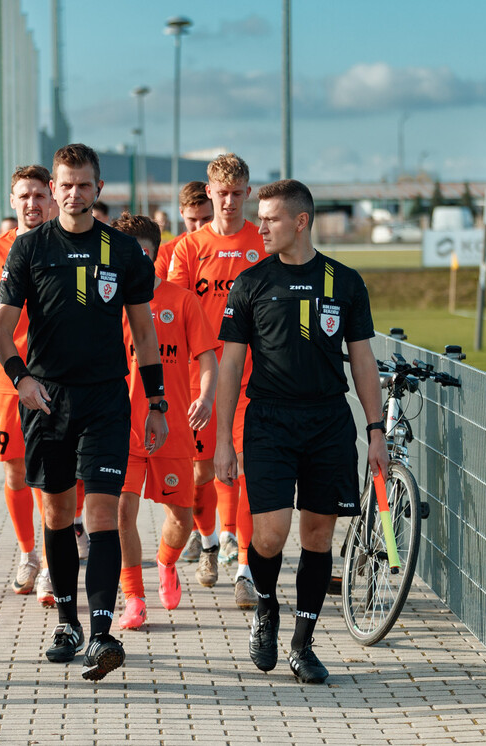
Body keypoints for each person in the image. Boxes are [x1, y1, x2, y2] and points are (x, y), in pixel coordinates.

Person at [0, 143, 167, 681]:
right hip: (46, 400)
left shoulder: (123, 253)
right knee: (57, 515)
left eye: (82, 184)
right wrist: (20, 380)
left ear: (99, 189)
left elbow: (143, 332)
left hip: (106, 399)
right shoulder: (28, 249)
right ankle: (65, 622)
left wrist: (156, 402)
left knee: (104, 513)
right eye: (63, 185)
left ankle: (101, 633)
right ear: (54, 188)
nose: (72, 193)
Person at [214, 178, 389, 684]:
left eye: (270, 218)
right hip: (268, 421)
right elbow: (230, 366)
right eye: (260, 217)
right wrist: (224, 439)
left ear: (301, 222)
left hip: (329, 423)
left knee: (318, 536)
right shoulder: (251, 283)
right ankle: (266, 607)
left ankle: (303, 643)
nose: (261, 225)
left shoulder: (345, 282)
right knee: (270, 534)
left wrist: (374, 429)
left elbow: (362, 360)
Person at [110, 212, 218, 630]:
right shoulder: (110, 303)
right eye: (128, 253)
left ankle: (166, 562)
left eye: (144, 253)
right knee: (122, 513)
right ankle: (133, 597)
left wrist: (205, 396)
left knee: (182, 515)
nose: (136, 261)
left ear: (157, 253)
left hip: (171, 426)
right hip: (122, 426)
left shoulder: (181, 300)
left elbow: (206, 357)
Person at [167, 153, 263, 605]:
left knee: (243, 471)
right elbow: (175, 312)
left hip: (250, 379)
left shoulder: (260, 244)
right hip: (197, 380)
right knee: (200, 472)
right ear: (209, 192)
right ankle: (207, 541)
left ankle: (244, 568)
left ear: (248, 193)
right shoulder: (188, 249)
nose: (228, 202)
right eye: (221, 193)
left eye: (236, 193)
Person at [0, 165, 55, 599]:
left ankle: (52, 560)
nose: (31, 203)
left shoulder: (65, 243)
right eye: (23, 196)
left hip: (55, 378)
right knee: (17, 470)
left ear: (52, 196)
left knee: (53, 473)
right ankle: (29, 555)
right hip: (8, 378)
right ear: (12, 201)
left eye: (39, 195)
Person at [155, 181, 212, 281]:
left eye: (206, 218)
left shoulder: (230, 249)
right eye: (192, 220)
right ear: (181, 212)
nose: (199, 227)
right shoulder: (165, 254)